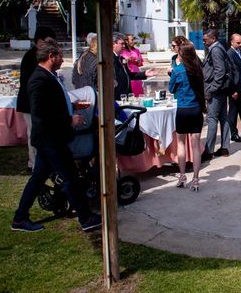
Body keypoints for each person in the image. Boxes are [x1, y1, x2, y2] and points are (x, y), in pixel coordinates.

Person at [11, 39, 101, 232]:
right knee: (70, 177)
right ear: (51, 57)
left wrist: (73, 107)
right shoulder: (38, 79)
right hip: (50, 139)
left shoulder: (49, 76)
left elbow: (54, 104)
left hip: (51, 139)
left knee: (38, 178)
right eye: (60, 56)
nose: (62, 59)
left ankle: (19, 218)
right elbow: (41, 112)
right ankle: (85, 217)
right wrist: (68, 120)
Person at [17, 26, 56, 170]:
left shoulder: (40, 55)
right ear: (39, 41)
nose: (50, 45)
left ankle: (40, 161)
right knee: (33, 133)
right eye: (48, 42)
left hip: (36, 102)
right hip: (29, 103)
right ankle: (33, 163)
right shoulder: (31, 57)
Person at [170, 43, 206, 192]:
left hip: (183, 109)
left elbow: (171, 89)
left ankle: (182, 175)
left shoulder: (177, 70)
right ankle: (196, 179)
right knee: (196, 145)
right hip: (196, 108)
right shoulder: (198, 69)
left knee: (181, 143)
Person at [202, 29, 232, 159]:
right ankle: (225, 147)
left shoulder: (215, 50)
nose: (204, 42)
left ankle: (209, 151)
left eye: (206, 39)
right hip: (221, 90)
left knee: (212, 119)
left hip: (216, 91)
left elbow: (220, 71)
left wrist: (212, 88)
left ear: (213, 39)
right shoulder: (219, 48)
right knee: (224, 118)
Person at [113, 33, 156, 99]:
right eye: (122, 44)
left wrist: (144, 74)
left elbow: (129, 75)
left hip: (126, 95)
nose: (124, 46)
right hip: (116, 97)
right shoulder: (110, 60)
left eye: (124, 44)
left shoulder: (121, 58)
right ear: (113, 44)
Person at [226, 33, 241, 143]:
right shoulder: (230, 54)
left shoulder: (238, 53)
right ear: (232, 42)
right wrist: (232, 90)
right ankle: (233, 134)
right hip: (235, 88)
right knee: (233, 112)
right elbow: (231, 73)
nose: (240, 44)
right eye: (238, 43)